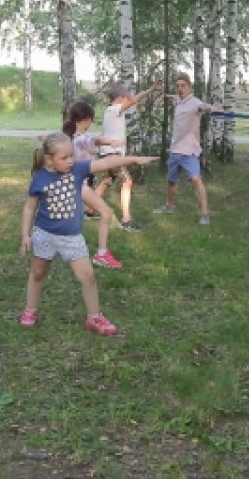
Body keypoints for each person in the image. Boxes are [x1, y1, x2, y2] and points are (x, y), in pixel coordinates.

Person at [20, 133, 156, 335]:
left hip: (72, 238)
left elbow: (107, 161)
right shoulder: (40, 178)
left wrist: (134, 159)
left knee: (88, 278)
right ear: (49, 159)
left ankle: (94, 318)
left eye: (71, 156)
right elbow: (30, 208)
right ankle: (30, 310)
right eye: (64, 158)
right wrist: (25, 235)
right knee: (38, 274)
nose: (70, 161)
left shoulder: (78, 170)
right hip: (44, 235)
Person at [94, 80, 163, 231]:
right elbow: (134, 100)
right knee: (127, 182)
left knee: (107, 181)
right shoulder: (114, 109)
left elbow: (131, 101)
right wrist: (151, 89)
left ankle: (90, 210)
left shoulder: (109, 111)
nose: (128, 100)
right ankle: (126, 220)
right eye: (126, 97)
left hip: (107, 154)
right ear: (120, 98)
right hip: (112, 155)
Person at [153, 72, 220, 225]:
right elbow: (172, 97)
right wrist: (161, 92)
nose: (180, 89)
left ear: (189, 87)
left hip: (189, 152)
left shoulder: (195, 103)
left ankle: (204, 214)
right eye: (177, 86)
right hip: (175, 150)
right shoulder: (179, 101)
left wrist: (212, 108)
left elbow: (202, 106)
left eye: (183, 86)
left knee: (196, 180)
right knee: (171, 181)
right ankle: (169, 206)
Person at [62, 101, 122, 269]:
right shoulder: (83, 139)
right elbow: (96, 140)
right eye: (91, 119)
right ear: (86, 119)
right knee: (106, 213)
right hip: (77, 184)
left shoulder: (68, 136)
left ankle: (60, 247)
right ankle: (101, 255)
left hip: (69, 182)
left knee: (71, 217)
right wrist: (112, 143)